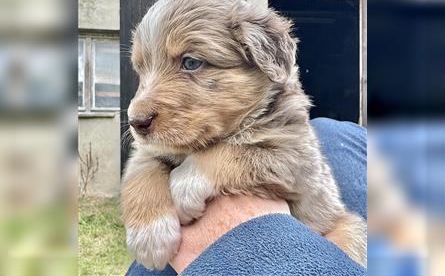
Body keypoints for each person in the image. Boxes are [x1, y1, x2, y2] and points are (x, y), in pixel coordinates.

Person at [126, 118, 367, 276]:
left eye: (191, 64)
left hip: (322, 234)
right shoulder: (338, 135)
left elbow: (294, 161)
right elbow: (149, 160)